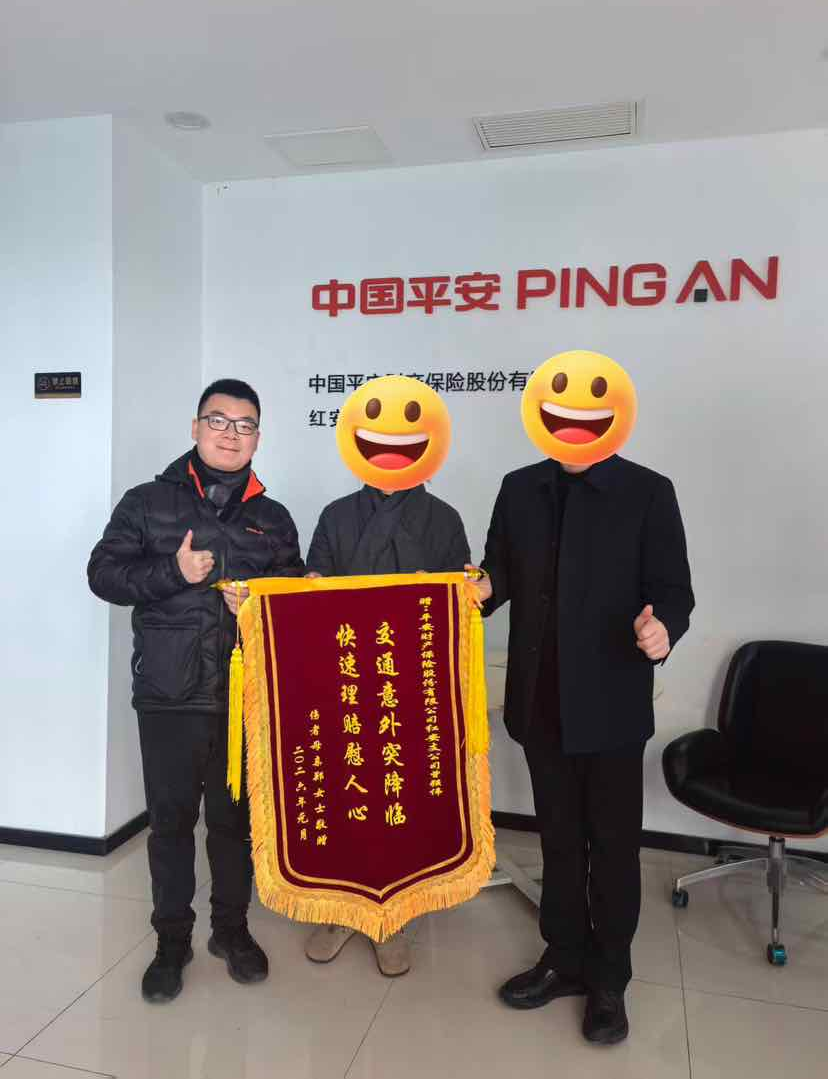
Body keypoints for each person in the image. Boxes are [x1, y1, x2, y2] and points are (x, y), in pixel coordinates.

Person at [475, 353, 694, 1045]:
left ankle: (610, 976)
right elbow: (499, 571)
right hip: (540, 702)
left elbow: (675, 591)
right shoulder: (519, 488)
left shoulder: (648, 492)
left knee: (614, 845)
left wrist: (663, 629)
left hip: (611, 705)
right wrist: (481, 587)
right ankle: (563, 957)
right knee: (560, 840)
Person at [88, 378, 304, 1002]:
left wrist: (263, 603)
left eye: (245, 424)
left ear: (258, 437)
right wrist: (172, 571)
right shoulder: (147, 502)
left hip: (244, 696)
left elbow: (292, 597)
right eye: (219, 420)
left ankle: (231, 931)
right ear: (195, 428)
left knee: (235, 825)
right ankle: (171, 941)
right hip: (169, 692)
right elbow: (103, 574)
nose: (231, 434)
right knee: (171, 824)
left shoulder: (272, 518)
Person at [302, 378, 471, 976]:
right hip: (348, 677)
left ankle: (393, 917)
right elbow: (312, 584)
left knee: (402, 801)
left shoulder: (443, 518)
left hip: (412, 686)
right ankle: (341, 909)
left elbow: (460, 606)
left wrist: (456, 591)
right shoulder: (336, 515)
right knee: (347, 794)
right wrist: (313, 588)